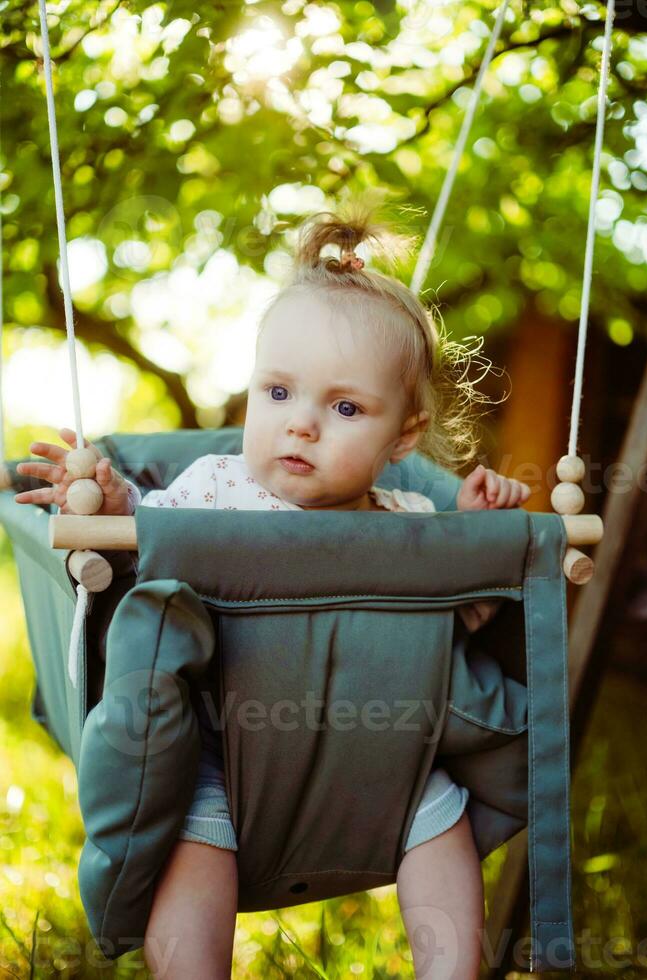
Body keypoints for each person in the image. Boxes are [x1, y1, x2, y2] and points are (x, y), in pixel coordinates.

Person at [15, 198, 530, 979]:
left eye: (346, 407)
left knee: (441, 823)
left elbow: (463, 617)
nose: (302, 425)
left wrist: (474, 538)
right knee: (190, 837)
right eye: (278, 393)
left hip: (380, 749)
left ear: (404, 437)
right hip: (222, 750)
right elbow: (142, 564)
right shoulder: (214, 487)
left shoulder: (411, 517)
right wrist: (119, 507)